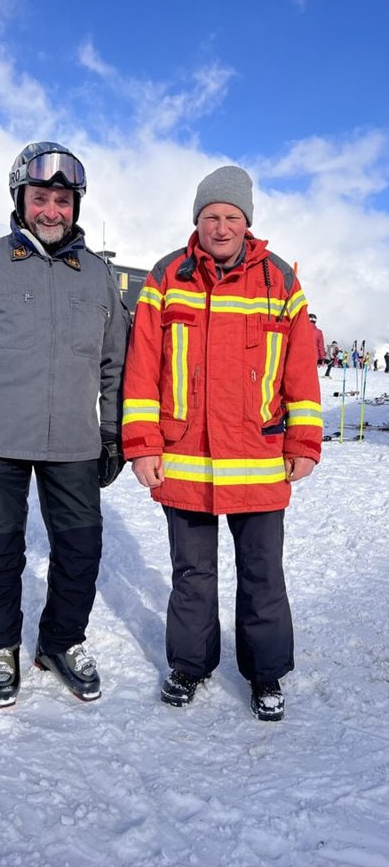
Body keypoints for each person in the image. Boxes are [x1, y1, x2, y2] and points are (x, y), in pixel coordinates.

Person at [0, 141, 130, 708]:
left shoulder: (98, 276)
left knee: (81, 546)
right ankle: (0, 646)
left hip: (73, 441)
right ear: (21, 199)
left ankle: (60, 643)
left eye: (62, 200)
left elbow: (117, 363)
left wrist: (114, 432)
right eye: (41, 198)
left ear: (75, 206)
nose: (51, 211)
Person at [122, 165, 322, 721]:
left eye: (232, 216)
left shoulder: (280, 281)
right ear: (197, 220)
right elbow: (142, 367)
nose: (222, 225)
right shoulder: (166, 276)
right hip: (185, 459)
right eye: (212, 215)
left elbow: (301, 371)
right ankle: (189, 664)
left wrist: (304, 440)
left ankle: (266, 675)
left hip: (259, 461)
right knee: (192, 574)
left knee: (263, 575)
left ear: (247, 222)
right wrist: (142, 444)